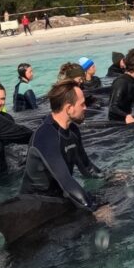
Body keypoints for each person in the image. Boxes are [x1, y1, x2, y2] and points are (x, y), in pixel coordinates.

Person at [20, 82, 104, 213]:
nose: (86, 108)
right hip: (35, 208)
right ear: (69, 108)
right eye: (82, 104)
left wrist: (111, 177)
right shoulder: (46, 136)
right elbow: (66, 182)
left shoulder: (73, 131)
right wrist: (94, 208)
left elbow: (87, 168)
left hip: (59, 199)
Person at [108, 52, 134, 124]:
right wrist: (126, 116)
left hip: (128, 118)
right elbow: (112, 107)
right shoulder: (121, 82)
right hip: (116, 122)